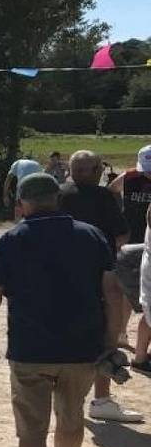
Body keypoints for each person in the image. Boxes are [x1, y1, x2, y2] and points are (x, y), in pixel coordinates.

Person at [0, 173, 123, 447]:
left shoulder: (11, 240)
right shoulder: (91, 236)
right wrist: (111, 339)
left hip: (31, 350)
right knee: (71, 420)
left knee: (31, 431)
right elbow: (112, 292)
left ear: (22, 203)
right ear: (57, 199)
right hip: (81, 348)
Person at [60, 150, 143, 423]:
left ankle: (63, 399)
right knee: (103, 336)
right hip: (99, 275)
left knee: (64, 336)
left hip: (61, 276)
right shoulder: (103, 197)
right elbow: (121, 234)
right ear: (96, 170)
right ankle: (102, 399)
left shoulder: (58, 193)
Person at [107, 145, 151, 374]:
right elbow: (111, 190)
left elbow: (112, 189)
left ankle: (125, 335)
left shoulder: (131, 175)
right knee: (126, 290)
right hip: (133, 238)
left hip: (142, 237)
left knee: (138, 295)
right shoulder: (130, 175)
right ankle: (122, 334)